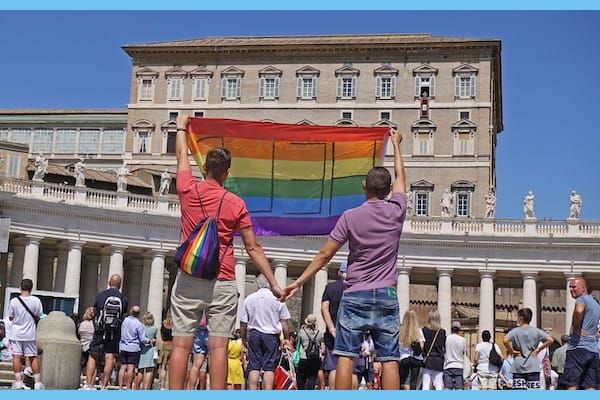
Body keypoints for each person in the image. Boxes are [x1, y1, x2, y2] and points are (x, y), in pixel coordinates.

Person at [283, 128, 407, 390]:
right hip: (386, 293)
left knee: (345, 358)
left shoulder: (350, 217)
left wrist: (299, 282)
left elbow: (325, 254)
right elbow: (401, 178)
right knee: (389, 359)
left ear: (364, 186)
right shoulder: (397, 211)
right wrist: (396, 146)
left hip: (356, 293)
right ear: (387, 190)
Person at [169, 115, 283, 390]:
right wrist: (274, 283)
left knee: (181, 345)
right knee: (219, 347)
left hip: (189, 276)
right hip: (223, 278)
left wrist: (182, 127)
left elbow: (181, 155)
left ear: (205, 166)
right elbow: (253, 247)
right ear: (227, 173)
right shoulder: (236, 204)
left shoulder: (187, 189)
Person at [240, 274, 291, 390]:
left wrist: (243, 339)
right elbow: (284, 322)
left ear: (257, 283)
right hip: (271, 336)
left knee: (254, 366)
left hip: (254, 333)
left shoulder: (249, 299)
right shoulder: (278, 299)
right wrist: (286, 338)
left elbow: (243, 322)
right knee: (269, 367)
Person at [84, 274, 128, 390]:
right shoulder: (123, 298)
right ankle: (104, 385)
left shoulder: (101, 295)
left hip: (100, 329)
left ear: (109, 283)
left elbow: (95, 310)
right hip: (114, 331)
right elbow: (123, 314)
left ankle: (89, 385)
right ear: (120, 285)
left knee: (92, 356)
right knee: (109, 357)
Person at [503, 308, 554, 390]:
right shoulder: (536, 331)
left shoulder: (515, 331)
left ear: (521, 318)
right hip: (533, 365)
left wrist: (511, 351)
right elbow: (550, 340)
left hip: (518, 366)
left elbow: (505, 340)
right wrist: (538, 350)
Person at [564, 276, 600, 390]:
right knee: (590, 387)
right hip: (593, 350)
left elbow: (579, 310)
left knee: (572, 386)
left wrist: (576, 328)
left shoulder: (581, 299)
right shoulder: (596, 305)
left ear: (583, 288)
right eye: (570, 287)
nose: (571, 289)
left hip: (578, 348)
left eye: (574, 287)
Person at [7, 278, 44, 390]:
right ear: (31, 288)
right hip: (30, 332)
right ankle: (37, 382)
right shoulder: (36, 300)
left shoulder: (14, 301)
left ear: (20, 287)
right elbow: (40, 315)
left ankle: (18, 381)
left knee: (16, 356)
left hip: (16, 332)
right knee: (33, 357)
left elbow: (10, 316)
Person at [320, 261, 347, 389]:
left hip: (334, 332)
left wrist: (331, 328)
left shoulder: (330, 288)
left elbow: (324, 308)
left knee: (333, 367)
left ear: (339, 273)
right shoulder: (357, 287)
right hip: (352, 331)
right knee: (352, 369)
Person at [118, 305, 148, 390]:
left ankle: (120, 386)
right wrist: (149, 341)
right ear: (139, 314)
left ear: (131, 311)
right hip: (133, 347)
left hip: (123, 346)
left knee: (123, 367)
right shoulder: (139, 324)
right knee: (131, 368)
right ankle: (128, 387)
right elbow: (142, 338)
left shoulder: (125, 321)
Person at [398, 309, 424, 390]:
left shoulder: (400, 331)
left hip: (404, 358)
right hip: (416, 359)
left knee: (404, 381)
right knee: (414, 381)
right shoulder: (418, 331)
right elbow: (422, 346)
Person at [296, 314, 324, 390]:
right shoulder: (319, 333)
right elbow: (322, 342)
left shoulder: (302, 332)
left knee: (301, 377)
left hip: (303, 357)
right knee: (312, 377)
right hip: (315, 358)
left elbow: (297, 341)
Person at [421, 309, 446, 390]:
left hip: (427, 360)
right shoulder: (442, 332)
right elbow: (443, 346)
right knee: (439, 384)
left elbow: (422, 346)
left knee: (425, 384)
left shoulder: (424, 330)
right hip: (439, 360)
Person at [187, 311, 209, 390]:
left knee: (196, 365)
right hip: (209, 331)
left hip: (198, 332)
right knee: (212, 363)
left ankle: (191, 389)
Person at [136, 312, 158, 390]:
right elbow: (155, 339)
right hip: (151, 349)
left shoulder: (141, 327)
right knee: (149, 370)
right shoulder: (155, 328)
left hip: (142, 349)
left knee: (140, 370)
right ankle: (146, 388)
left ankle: (137, 387)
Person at [444, 320, 466, 390]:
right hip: (459, 365)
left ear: (451, 328)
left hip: (448, 365)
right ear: (459, 330)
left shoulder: (446, 338)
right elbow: (464, 353)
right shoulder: (463, 339)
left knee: (447, 388)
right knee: (459, 388)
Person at [157, 315, 173, 390]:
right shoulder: (175, 326)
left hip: (165, 346)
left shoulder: (163, 326)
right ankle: (168, 386)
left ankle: (162, 386)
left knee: (163, 367)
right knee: (170, 368)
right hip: (173, 346)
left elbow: (162, 336)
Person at [78, 307, 96, 372]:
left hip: (82, 346)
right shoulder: (94, 325)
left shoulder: (82, 324)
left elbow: (79, 333)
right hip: (91, 347)